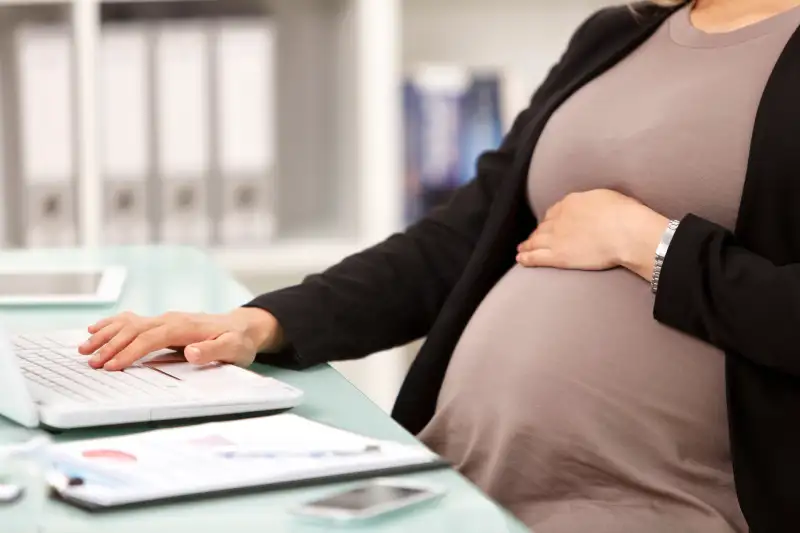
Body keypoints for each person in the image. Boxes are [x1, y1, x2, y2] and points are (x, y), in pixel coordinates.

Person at [78, 1, 800, 531]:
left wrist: (654, 245)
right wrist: (262, 321)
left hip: (659, 506)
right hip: (453, 484)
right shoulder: (618, 34)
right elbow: (459, 238)